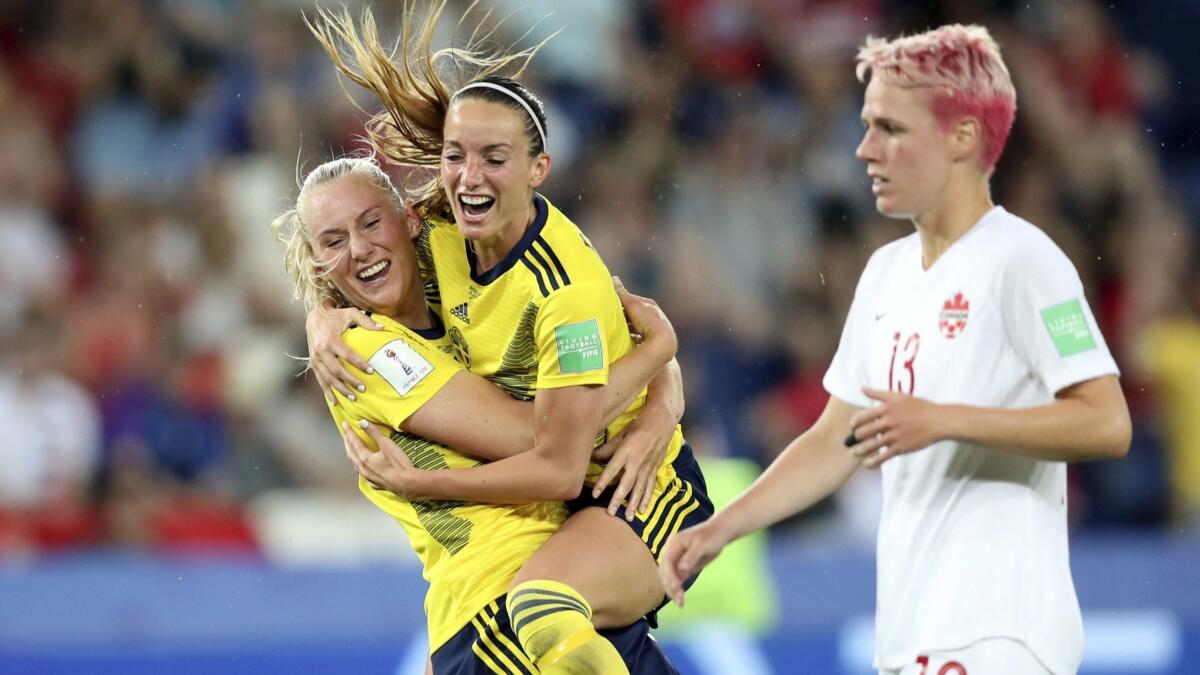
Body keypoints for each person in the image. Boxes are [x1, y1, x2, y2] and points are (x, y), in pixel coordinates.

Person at [660, 24, 1132, 675]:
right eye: (866, 126)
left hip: (999, 632)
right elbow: (835, 439)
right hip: (911, 634)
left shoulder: (1023, 261)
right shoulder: (886, 272)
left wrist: (943, 419)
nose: (863, 150)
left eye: (890, 129)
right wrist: (720, 527)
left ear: (962, 137)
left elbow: (1107, 422)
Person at [302, 3, 713, 669]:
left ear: (538, 169)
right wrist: (317, 317)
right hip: (521, 561)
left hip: (634, 496)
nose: (469, 176)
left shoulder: (561, 289)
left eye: (494, 157)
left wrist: (661, 380)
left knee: (544, 603)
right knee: (546, 610)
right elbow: (627, 351)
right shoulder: (434, 244)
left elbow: (555, 457)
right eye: (455, 157)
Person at [273, 155, 682, 673]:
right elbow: (537, 440)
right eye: (333, 241)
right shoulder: (365, 349)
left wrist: (663, 397)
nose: (359, 249)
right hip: (506, 614)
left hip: (545, 587)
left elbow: (605, 328)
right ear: (316, 264)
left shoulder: (461, 278)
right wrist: (659, 351)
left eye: (371, 222)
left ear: (409, 219)